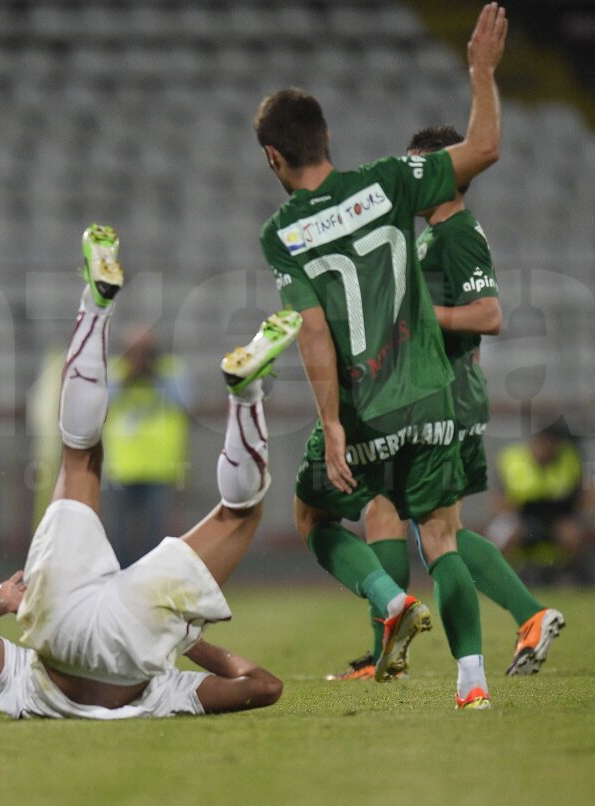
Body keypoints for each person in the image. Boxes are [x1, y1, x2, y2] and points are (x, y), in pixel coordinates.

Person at [0, 224, 298, 719]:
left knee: (240, 513)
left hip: (137, 635)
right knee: (79, 452)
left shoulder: (166, 697)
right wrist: (3, 600)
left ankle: (246, 394)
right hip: (57, 618)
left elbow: (264, 686)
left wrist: (187, 642)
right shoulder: (24, 691)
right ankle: (95, 304)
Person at [255, 3, 508, 709]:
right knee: (444, 538)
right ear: (327, 137)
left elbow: (311, 332)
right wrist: (481, 72)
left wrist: (332, 423)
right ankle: (472, 683)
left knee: (313, 515)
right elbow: (483, 148)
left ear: (275, 157)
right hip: (429, 394)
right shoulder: (391, 179)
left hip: (364, 404)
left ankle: (388, 598)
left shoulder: (283, 233)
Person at [326, 126, 564, 684]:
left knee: (419, 524)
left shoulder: (457, 235)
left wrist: (419, 319)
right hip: (429, 390)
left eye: (421, 171)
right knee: (397, 515)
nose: (413, 182)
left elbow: (489, 315)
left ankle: (425, 649)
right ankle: (513, 619)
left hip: (445, 395)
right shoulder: (430, 234)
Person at [103, 326, 192, 564]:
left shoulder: (172, 371)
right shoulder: (114, 372)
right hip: (122, 468)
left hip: (160, 468)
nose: (139, 358)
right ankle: (119, 582)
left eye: (145, 351)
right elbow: (101, 403)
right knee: (119, 536)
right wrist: (128, 378)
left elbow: (184, 402)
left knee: (158, 537)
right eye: (133, 351)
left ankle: (154, 583)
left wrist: (154, 376)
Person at [491, 422, 595, 586]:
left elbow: (589, 494)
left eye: (554, 442)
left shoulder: (571, 459)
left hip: (556, 518)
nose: (550, 446)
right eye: (546, 441)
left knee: (571, 535)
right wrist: (522, 518)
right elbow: (498, 501)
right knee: (506, 537)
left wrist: (578, 516)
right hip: (520, 517)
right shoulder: (511, 459)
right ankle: (500, 581)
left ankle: (572, 579)